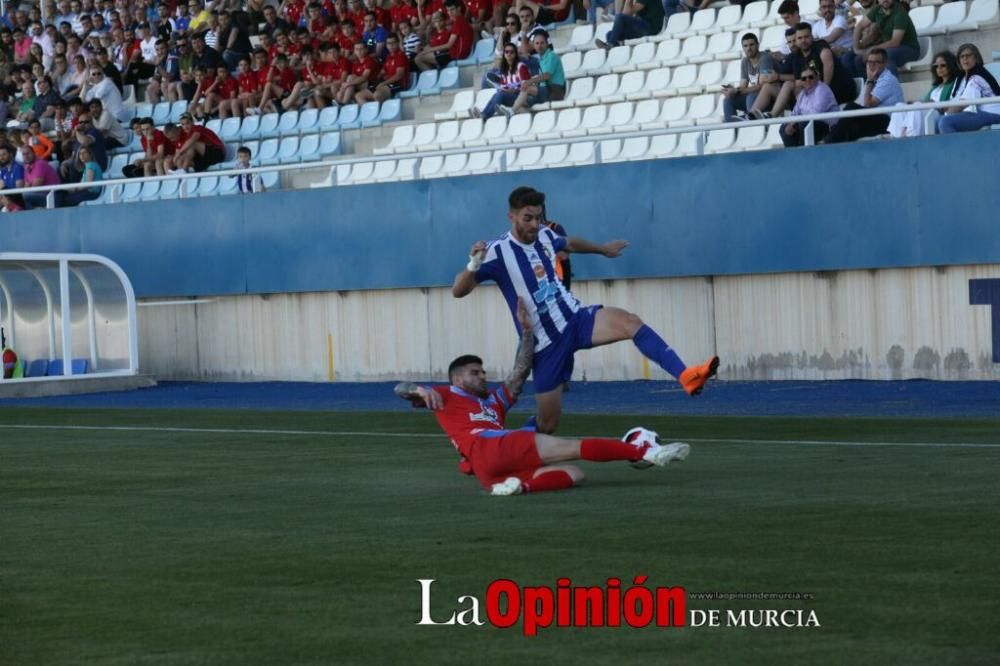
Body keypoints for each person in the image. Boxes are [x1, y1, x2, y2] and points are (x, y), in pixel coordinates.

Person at [452, 186, 719, 434]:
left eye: (538, 217)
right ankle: (503, 446)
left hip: (576, 318)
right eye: (528, 218)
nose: (535, 224)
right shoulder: (497, 252)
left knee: (630, 322)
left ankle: (686, 376)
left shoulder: (545, 234)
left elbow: (569, 243)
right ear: (512, 216)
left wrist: (603, 250)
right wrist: (474, 264)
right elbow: (458, 291)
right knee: (548, 422)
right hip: (546, 344)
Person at [394, 298, 692, 495]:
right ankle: (646, 452)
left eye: (482, 371)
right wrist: (417, 389)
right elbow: (401, 389)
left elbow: (520, 371)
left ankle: (518, 486)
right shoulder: (445, 395)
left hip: (489, 469)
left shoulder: (493, 404)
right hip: (489, 446)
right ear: (457, 379)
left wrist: (527, 332)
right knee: (570, 447)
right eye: (475, 372)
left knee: (574, 474)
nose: (482, 376)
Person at [823, 47, 902, 143]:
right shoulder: (873, 78)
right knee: (850, 129)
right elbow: (860, 102)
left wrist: (869, 81)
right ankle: (832, 148)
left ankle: (828, 141)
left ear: (884, 64)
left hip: (888, 121)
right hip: (873, 118)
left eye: (876, 62)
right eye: (869, 62)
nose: (872, 65)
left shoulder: (887, 79)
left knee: (850, 108)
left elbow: (868, 103)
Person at [887, 50, 959, 138]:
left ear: (950, 65)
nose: (939, 68)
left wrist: (928, 103)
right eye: (936, 66)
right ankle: (896, 137)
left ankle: (908, 137)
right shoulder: (936, 86)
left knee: (917, 106)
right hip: (928, 110)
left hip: (938, 113)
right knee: (899, 106)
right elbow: (926, 100)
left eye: (943, 65)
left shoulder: (955, 83)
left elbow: (949, 104)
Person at [936, 44, 1000, 134]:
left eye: (968, 55)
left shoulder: (977, 76)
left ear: (976, 58)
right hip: (976, 112)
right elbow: (955, 101)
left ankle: (958, 148)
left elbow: (964, 103)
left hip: (991, 113)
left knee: (945, 122)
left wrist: (947, 114)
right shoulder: (961, 78)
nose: (965, 59)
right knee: (936, 121)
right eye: (962, 56)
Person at [849, 0, 918, 76]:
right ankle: (870, 85)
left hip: (909, 49)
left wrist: (872, 49)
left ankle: (891, 85)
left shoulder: (900, 12)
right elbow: (859, 26)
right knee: (858, 59)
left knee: (886, 55)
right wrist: (856, 48)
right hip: (888, 48)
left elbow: (895, 42)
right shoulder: (877, 10)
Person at [723, 33, 778, 122]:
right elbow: (743, 86)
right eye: (745, 46)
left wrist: (738, 91)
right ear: (743, 48)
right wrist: (733, 91)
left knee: (751, 96)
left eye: (751, 45)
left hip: (768, 99)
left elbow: (763, 86)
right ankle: (733, 127)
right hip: (753, 98)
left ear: (758, 45)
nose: (749, 48)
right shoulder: (745, 61)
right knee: (728, 99)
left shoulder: (765, 58)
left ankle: (751, 125)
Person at [780, 66, 839, 146]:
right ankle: (794, 154)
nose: (807, 80)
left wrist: (795, 123)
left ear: (817, 77)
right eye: (804, 78)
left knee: (804, 125)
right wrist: (790, 124)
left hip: (828, 127)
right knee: (784, 128)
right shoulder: (802, 94)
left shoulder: (822, 89)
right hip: (808, 123)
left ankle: (803, 154)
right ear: (801, 81)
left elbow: (816, 113)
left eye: (810, 77)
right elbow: (794, 113)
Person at [511, 29, 565, 112]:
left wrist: (529, 82)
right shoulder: (540, 60)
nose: (540, 46)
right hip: (545, 91)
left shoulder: (551, 56)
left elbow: (547, 76)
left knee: (526, 88)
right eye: (537, 43)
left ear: (547, 44)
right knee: (523, 104)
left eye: (542, 43)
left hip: (555, 91)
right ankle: (530, 120)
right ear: (534, 46)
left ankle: (511, 111)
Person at [472, 42, 529, 119]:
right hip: (509, 97)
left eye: (512, 52)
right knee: (498, 93)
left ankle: (484, 115)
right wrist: (505, 90)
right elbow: (504, 87)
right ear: (504, 55)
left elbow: (526, 86)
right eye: (506, 52)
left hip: (521, 97)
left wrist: (514, 90)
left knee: (500, 95)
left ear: (515, 54)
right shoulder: (504, 70)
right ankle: (486, 113)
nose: (509, 54)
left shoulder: (521, 67)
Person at [594, 0, 663, 50]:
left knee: (619, 17)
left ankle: (611, 45)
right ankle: (613, 47)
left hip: (651, 28)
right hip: (642, 26)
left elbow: (625, 15)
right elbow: (626, 14)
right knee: (609, 34)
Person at [20, 144, 62, 209]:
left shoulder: (40, 164)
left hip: (52, 196)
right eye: (23, 154)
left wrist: (29, 185)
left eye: (28, 153)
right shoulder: (27, 167)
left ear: (34, 153)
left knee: (24, 196)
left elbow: (36, 186)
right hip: (41, 195)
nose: (26, 156)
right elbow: (26, 186)